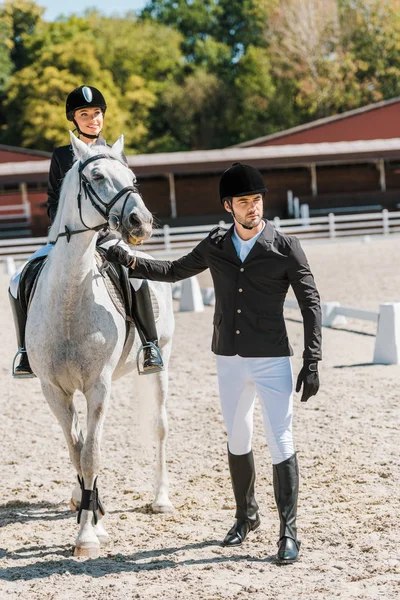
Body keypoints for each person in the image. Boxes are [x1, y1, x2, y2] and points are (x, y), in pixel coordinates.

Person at [105, 162, 322, 564]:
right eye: (244, 202)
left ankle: (288, 534)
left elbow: (311, 303)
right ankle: (246, 517)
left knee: (281, 442)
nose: (253, 207)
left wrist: (312, 360)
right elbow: (173, 271)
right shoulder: (217, 244)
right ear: (229, 206)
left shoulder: (285, 246)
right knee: (237, 439)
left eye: (257, 200)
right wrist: (128, 259)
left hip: (272, 359)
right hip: (229, 358)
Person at [9, 85, 163, 378]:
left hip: (106, 237)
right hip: (67, 239)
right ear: (74, 119)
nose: (93, 119)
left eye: (97, 113)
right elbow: (53, 200)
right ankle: (25, 351)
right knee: (18, 280)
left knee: (136, 277)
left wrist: (112, 229)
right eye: (85, 114)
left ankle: (149, 344)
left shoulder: (114, 154)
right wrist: (63, 227)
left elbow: (124, 198)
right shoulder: (62, 155)